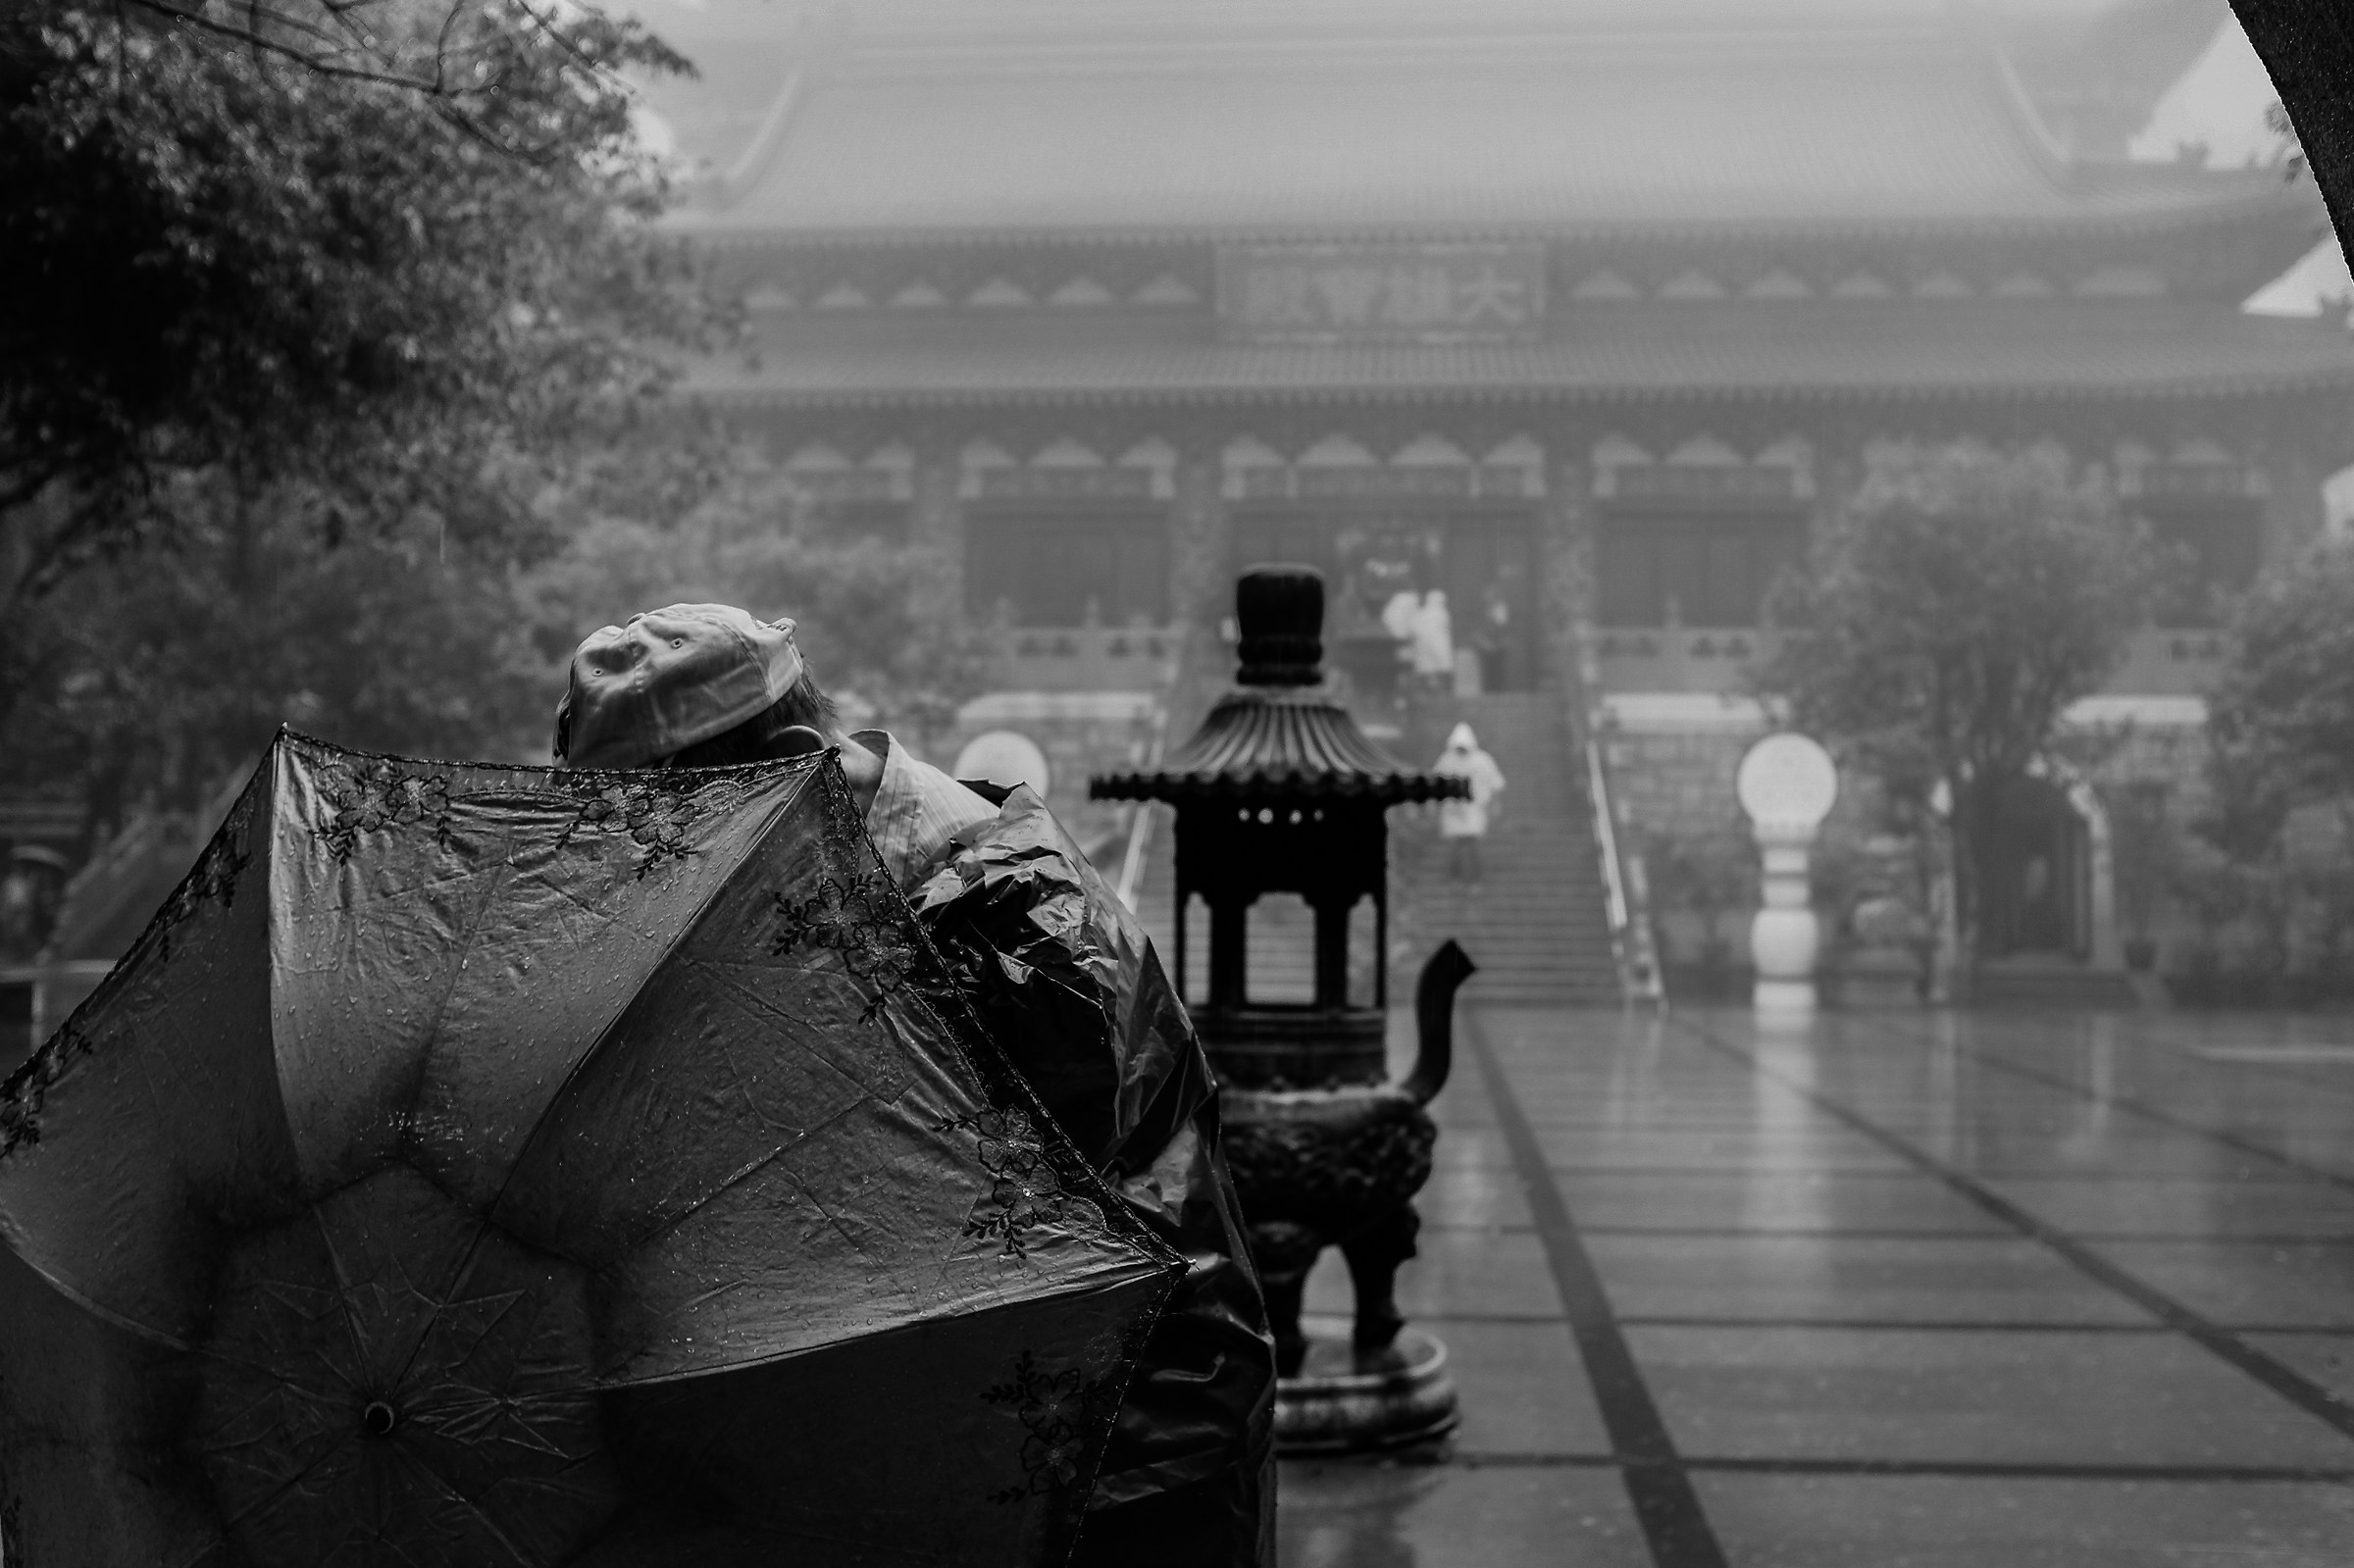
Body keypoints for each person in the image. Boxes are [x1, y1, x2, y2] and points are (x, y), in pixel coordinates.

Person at [553, 604, 1276, 1566]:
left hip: (1123, 1464)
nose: (667, 878)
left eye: (683, 835)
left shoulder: (1025, 941)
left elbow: (973, 1259)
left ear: (804, 764)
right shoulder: (850, 888)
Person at [1433, 722, 1506, 885]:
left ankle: (1476, 879)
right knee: (1455, 846)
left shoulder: (1482, 760)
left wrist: (1495, 804)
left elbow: (1495, 783)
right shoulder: (1446, 760)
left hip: (1474, 808)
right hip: (1452, 809)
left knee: (1473, 845)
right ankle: (1454, 877)